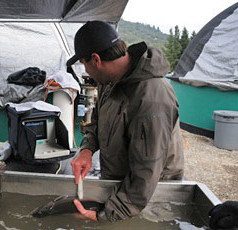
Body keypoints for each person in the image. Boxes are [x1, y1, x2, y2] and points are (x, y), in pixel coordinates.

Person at [66, 21, 184, 222]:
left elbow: (146, 172)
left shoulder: (152, 98)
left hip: (149, 196)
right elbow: (97, 119)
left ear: (96, 60)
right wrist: (86, 150)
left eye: (84, 64)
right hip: (121, 187)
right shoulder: (110, 83)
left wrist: (107, 214)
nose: (85, 71)